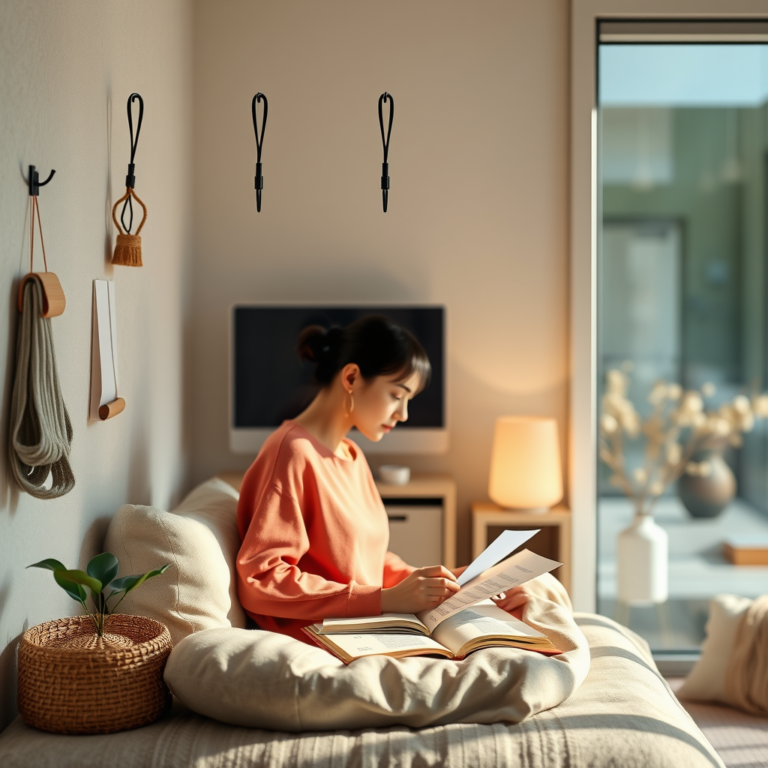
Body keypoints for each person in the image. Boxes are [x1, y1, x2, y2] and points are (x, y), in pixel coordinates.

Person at [236, 315, 528, 644]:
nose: (403, 414)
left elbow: (368, 563)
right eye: (396, 395)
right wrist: (383, 599)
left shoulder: (352, 455)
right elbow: (261, 580)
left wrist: (457, 582)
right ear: (351, 377)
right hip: (325, 637)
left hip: (366, 624)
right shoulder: (291, 452)